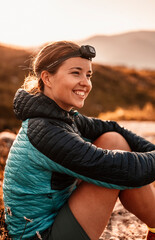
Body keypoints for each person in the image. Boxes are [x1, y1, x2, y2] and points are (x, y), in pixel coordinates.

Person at [3, 41, 155, 240]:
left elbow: (113, 128)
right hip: (40, 235)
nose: (86, 82)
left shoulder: (58, 116)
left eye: (88, 75)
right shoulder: (46, 132)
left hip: (57, 213)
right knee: (117, 169)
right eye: (76, 73)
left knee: (113, 139)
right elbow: (117, 168)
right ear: (47, 78)